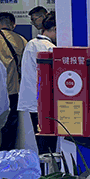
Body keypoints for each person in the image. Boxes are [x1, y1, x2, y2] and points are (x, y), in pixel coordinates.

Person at [18, 11, 57, 155]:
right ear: (55, 28)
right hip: (45, 103)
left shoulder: (31, 44)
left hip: (32, 101)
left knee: (41, 142)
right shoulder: (49, 48)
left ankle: (43, 168)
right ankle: (48, 169)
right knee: (49, 145)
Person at [0, 12, 28, 151]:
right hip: (13, 89)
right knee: (10, 125)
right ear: (12, 24)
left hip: (1, 89)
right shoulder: (21, 40)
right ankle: (6, 153)